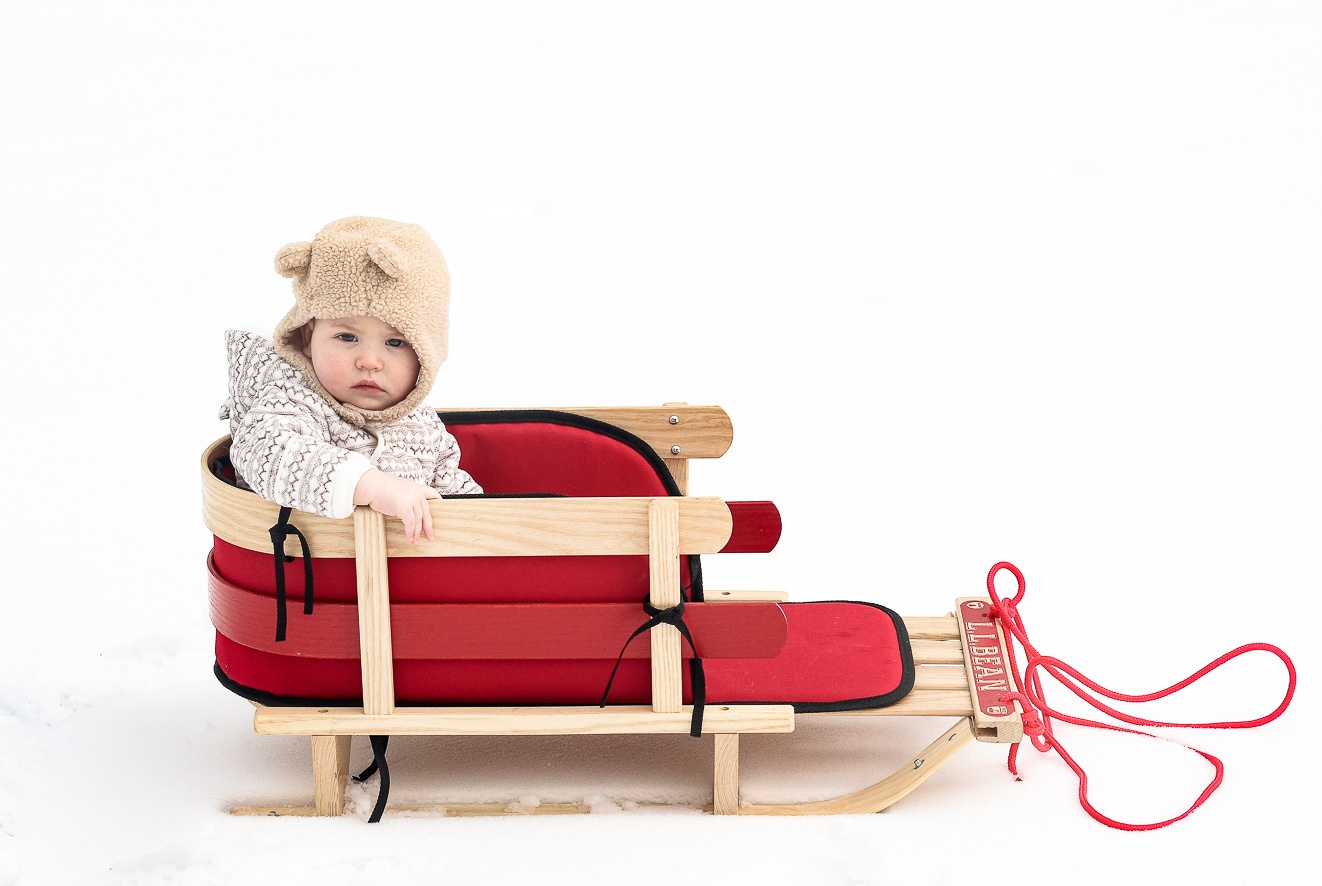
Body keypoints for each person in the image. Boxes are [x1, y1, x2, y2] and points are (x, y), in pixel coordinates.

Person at [219, 216, 481, 543]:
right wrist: (368, 485)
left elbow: (453, 496)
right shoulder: (292, 400)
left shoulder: (424, 424)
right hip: (312, 576)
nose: (369, 361)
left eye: (395, 343)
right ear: (307, 338)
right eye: (347, 337)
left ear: (426, 356)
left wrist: (486, 526)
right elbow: (265, 450)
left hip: (407, 584)